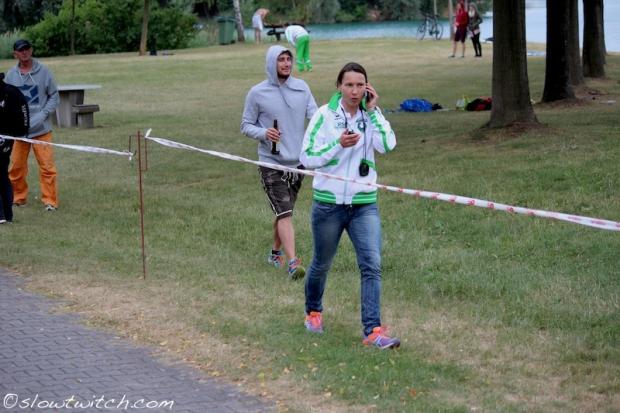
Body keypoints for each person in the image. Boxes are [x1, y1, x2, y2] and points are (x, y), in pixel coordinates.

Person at [299, 62, 400, 349]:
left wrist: (374, 112)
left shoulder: (371, 114)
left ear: (368, 87)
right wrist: (337, 145)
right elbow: (307, 157)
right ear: (339, 87)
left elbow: (387, 145)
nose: (355, 91)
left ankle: (373, 331)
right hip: (328, 204)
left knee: (372, 265)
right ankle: (313, 312)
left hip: (363, 204)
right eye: (349, 85)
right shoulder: (324, 116)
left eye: (360, 85)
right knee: (321, 263)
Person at [241, 45, 318, 280]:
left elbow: (317, 118)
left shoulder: (302, 88)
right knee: (285, 213)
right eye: (281, 59)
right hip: (271, 163)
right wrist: (264, 133)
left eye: (288, 59)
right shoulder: (257, 93)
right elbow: (246, 125)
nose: (286, 64)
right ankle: (293, 263)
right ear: (271, 63)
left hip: (298, 163)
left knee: (284, 211)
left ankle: (275, 252)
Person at [5, 39, 59, 211]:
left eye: (27, 49)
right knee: (16, 167)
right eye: (21, 50)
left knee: (47, 167)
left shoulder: (44, 72)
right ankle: (18, 197)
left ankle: (50, 201)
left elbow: (54, 96)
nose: (25, 52)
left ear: (31, 50)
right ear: (15, 54)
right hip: (19, 132)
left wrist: (43, 114)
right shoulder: (11, 76)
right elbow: (6, 100)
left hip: (42, 130)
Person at [0, 72, 30, 224]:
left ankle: (3, 215)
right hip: (7, 138)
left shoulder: (11, 93)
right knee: (3, 175)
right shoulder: (11, 92)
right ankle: (7, 215)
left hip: (6, 139)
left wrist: (20, 133)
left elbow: (23, 113)